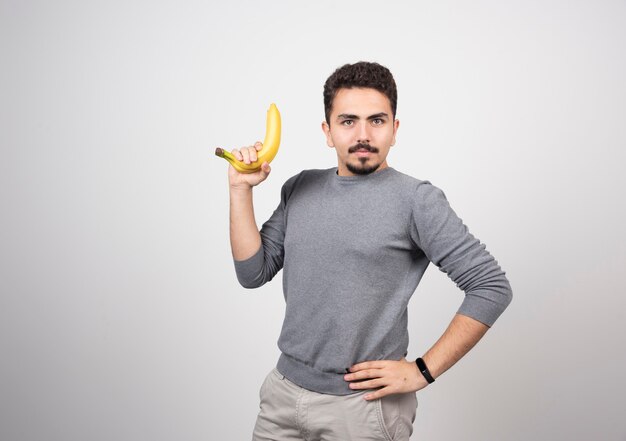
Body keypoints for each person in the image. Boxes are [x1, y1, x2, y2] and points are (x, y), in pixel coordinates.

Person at [226, 61, 512, 441]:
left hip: (362, 410)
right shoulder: (300, 188)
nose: (363, 134)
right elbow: (253, 273)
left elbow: (491, 286)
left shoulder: (416, 200)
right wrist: (240, 190)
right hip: (283, 397)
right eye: (348, 121)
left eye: (376, 121)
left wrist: (422, 370)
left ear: (394, 130)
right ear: (328, 132)